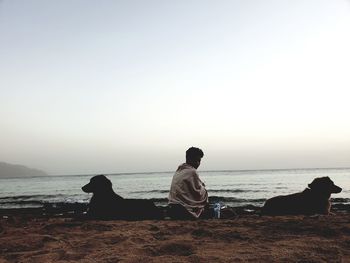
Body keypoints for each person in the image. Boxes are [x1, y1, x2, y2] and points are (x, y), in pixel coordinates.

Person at [168, 147, 212, 219]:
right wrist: (203, 188)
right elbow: (197, 193)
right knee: (205, 195)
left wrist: (200, 186)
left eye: (199, 161)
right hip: (183, 209)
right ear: (189, 159)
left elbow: (189, 189)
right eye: (196, 160)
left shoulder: (180, 170)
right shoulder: (192, 171)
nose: (198, 163)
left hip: (172, 207)